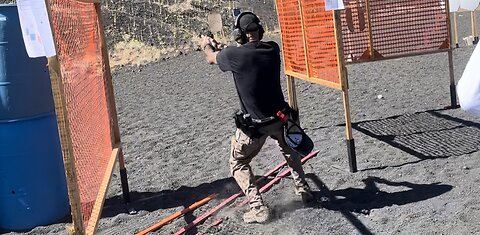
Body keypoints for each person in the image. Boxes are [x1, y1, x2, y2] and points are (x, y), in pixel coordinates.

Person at [200, 12, 313, 224]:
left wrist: (207, 44)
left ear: (239, 35)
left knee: (237, 162)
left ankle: (257, 207)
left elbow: (211, 58)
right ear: (260, 31)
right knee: (290, 149)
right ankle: (303, 188)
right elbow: (243, 53)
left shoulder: (233, 55)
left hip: (255, 127)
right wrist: (223, 48)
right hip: (282, 120)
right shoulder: (272, 49)